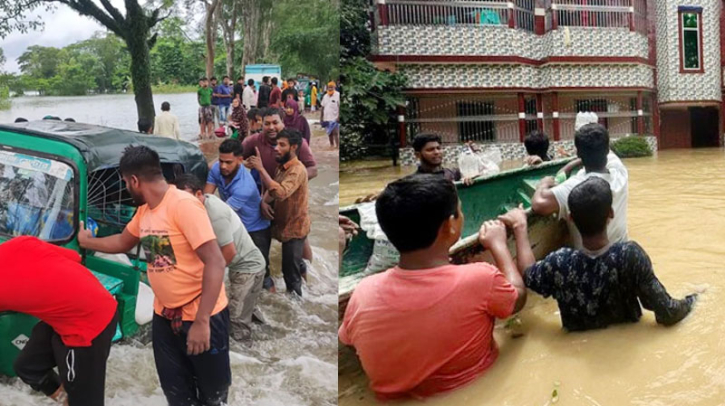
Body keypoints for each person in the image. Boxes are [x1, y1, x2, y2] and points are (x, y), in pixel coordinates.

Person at [338, 174, 527, 400]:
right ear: (450, 225)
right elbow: (518, 299)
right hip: (474, 393)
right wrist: (499, 245)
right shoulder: (479, 278)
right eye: (460, 211)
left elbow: (349, 343)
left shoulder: (363, 291)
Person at [78, 145, 230, 406]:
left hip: (202, 315)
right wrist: (87, 242)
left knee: (212, 396)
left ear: (134, 180)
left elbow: (216, 261)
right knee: (176, 394)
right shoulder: (145, 211)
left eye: (125, 183)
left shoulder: (184, 206)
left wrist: (202, 321)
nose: (126, 188)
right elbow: (123, 242)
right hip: (165, 317)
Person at [515, 177, 696, 331]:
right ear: (611, 213)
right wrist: (694, 299)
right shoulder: (630, 256)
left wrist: (520, 227)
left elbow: (527, 274)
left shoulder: (559, 263)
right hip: (627, 347)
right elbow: (669, 313)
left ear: (570, 218)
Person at [4, 236, 118, 406]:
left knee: (87, 402)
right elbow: (74, 257)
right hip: (80, 307)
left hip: (87, 324)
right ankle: (68, 400)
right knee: (29, 366)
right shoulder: (21, 243)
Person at [176, 174, 266, 341]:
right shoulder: (199, 207)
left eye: (186, 199)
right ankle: (263, 332)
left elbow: (229, 252)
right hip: (238, 265)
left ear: (198, 194)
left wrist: (211, 280)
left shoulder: (214, 213)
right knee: (243, 310)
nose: (183, 205)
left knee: (235, 319)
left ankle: (247, 355)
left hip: (247, 268)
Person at [532, 123, 628, 250]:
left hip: (588, 261)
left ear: (578, 153)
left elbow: (539, 204)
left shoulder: (576, 186)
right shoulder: (620, 172)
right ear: (606, 149)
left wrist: (543, 184)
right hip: (621, 252)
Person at [204, 139, 274, 293]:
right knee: (236, 267)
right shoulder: (217, 169)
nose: (223, 166)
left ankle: (271, 301)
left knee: (262, 272)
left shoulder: (244, 186)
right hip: (236, 225)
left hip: (255, 229)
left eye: (228, 162)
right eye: (221, 161)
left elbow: (222, 214)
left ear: (240, 160)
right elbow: (205, 198)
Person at [248, 129, 311, 296]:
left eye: (282, 145)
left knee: (290, 274)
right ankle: (309, 286)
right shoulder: (282, 166)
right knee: (294, 264)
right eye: (277, 144)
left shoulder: (297, 170)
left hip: (295, 226)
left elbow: (281, 192)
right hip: (283, 223)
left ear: (294, 147)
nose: (276, 148)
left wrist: (261, 169)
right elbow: (273, 186)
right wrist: (263, 202)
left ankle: (297, 310)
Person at [242, 108, 318, 182]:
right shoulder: (254, 140)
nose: (271, 127)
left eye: (275, 123)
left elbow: (313, 169)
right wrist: (244, 163)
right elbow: (234, 157)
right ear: (262, 125)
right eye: (267, 124)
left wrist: (291, 181)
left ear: (282, 122)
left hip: (287, 190)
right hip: (260, 188)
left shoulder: (297, 142)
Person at [320, 81, 340, 148]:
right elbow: (322, 107)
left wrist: (339, 116)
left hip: (334, 117)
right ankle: (331, 145)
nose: (330, 89)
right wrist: (321, 118)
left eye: (331, 87)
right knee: (329, 133)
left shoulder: (338, 95)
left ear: (334, 87)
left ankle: (337, 145)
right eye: (329, 87)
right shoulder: (325, 96)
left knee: (335, 132)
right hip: (327, 118)